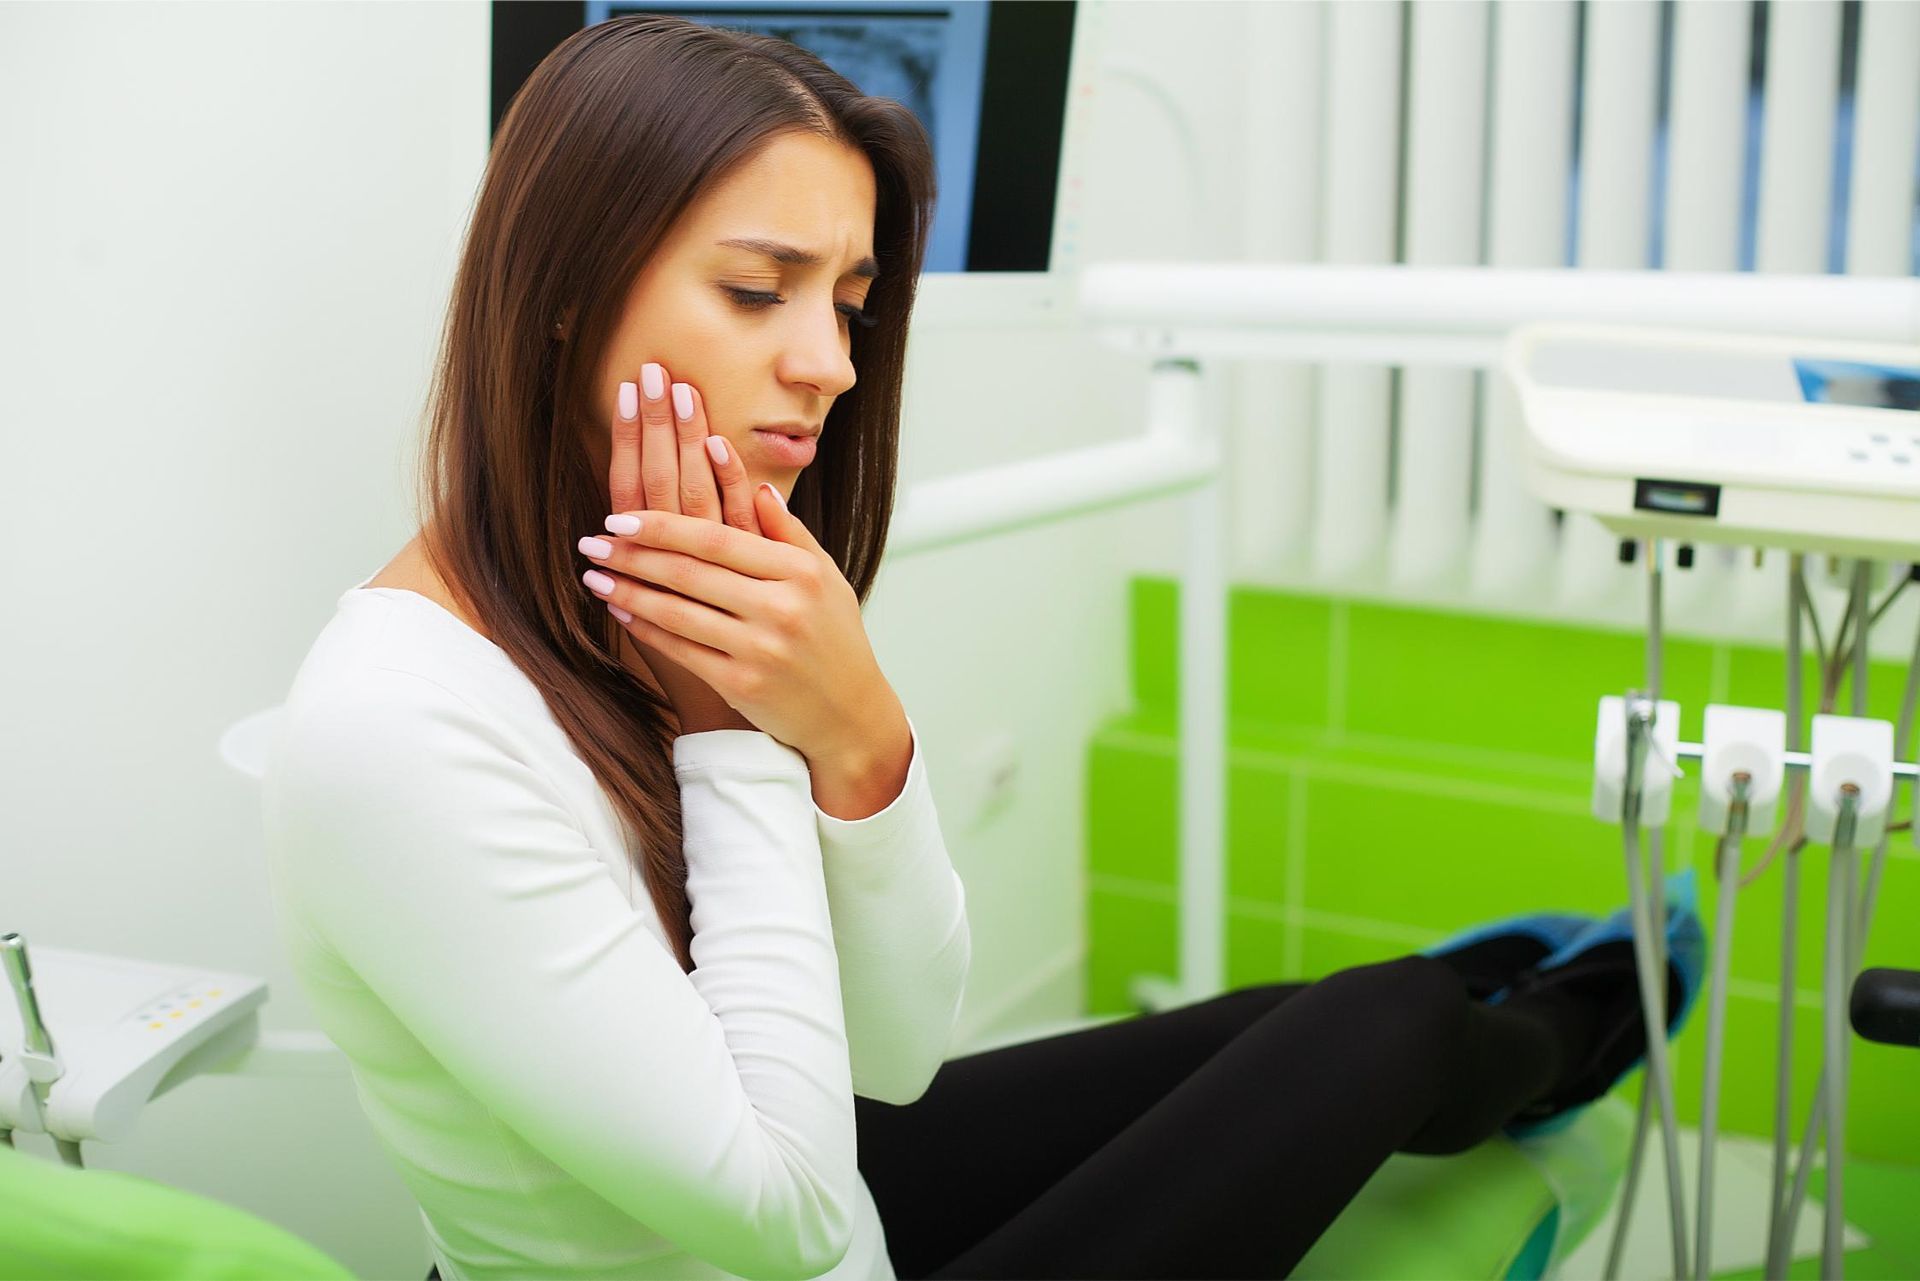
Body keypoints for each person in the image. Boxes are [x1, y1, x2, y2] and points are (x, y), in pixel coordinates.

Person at [259, 15, 1703, 1281]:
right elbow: (788, 1210)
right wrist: (734, 734)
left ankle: (1501, 1010)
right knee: (1382, 1023)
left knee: (1291, 1017)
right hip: (786, 1231)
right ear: (564, 290)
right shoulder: (397, 728)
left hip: (802, 1201)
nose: (827, 360)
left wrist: (863, 747)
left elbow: (893, 1056)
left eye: (851, 302)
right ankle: (1579, 1020)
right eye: (760, 291)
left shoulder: (682, 601)